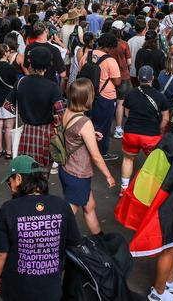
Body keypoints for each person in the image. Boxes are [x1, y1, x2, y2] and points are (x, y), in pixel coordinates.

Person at [115, 106, 173, 301]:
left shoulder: (168, 138)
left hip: (171, 202)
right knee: (171, 247)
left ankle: (169, 279)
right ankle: (158, 292)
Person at [0, 155, 81, 301]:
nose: (10, 186)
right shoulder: (61, 205)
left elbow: (1, 253)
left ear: (19, 179)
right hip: (51, 288)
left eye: (10, 182)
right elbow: (73, 242)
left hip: (17, 289)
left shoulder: (9, 209)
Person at [60, 78, 115, 233]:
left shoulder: (67, 111)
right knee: (67, 216)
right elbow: (96, 156)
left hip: (66, 168)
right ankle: (53, 243)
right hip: (78, 173)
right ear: (87, 97)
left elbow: (71, 135)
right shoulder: (85, 122)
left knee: (89, 206)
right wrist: (108, 175)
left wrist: (90, 135)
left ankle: (100, 240)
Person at [3, 46, 65, 169]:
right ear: (47, 66)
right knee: (43, 171)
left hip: (27, 132)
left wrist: (22, 113)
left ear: (30, 63)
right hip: (46, 134)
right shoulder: (52, 87)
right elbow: (62, 113)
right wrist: (55, 120)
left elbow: (7, 105)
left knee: (27, 170)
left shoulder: (21, 82)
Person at [120, 65, 170, 195]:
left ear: (138, 78)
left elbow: (127, 113)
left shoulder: (131, 93)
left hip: (131, 133)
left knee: (128, 159)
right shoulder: (160, 96)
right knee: (152, 164)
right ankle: (148, 191)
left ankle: (124, 188)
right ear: (152, 78)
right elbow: (165, 118)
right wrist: (159, 129)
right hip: (151, 136)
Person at [77, 32, 122, 161]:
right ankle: (101, 152)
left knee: (87, 123)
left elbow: (81, 72)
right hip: (105, 97)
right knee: (103, 126)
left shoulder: (86, 56)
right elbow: (117, 81)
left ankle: (85, 149)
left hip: (86, 95)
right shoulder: (110, 61)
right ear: (109, 47)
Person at [0, 44, 18, 158]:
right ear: (6, 53)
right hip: (9, 99)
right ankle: (8, 151)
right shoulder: (11, 68)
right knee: (8, 127)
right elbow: (15, 84)